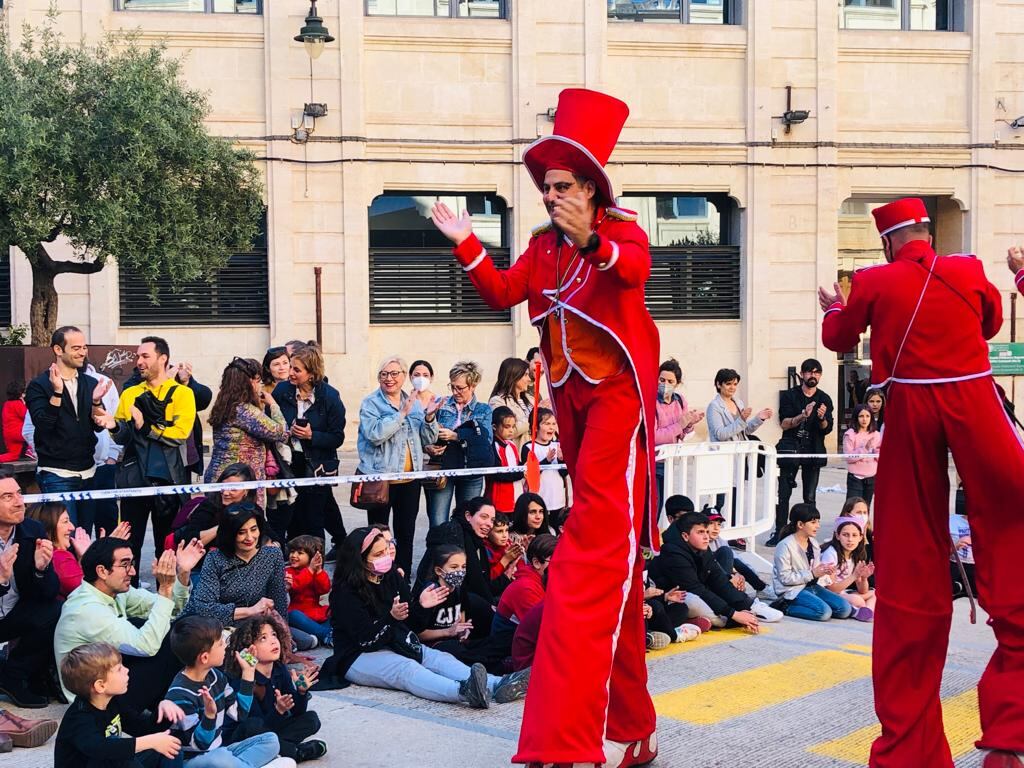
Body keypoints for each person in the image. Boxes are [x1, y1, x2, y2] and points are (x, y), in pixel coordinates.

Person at [432, 87, 662, 767]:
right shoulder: (541, 249)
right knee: (609, 583)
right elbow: (504, 292)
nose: (552, 194)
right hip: (572, 412)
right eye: (546, 185)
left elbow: (634, 271)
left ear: (591, 187)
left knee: (584, 576)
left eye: (563, 184)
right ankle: (635, 728)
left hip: (619, 409)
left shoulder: (618, 233)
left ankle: (568, 743)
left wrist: (592, 239)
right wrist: (468, 243)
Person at [821, 198, 1024, 768]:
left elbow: (839, 338)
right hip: (975, 402)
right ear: (927, 233)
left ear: (886, 241)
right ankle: (1011, 733)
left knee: (911, 571)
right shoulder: (964, 268)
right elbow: (990, 322)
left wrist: (836, 306)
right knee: (1015, 538)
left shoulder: (873, 279)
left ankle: (911, 752)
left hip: (911, 409)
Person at [313, 527, 531, 708]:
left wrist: (422, 606)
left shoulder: (391, 577)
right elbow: (365, 640)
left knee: (438, 659)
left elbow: (413, 625)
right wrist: (391, 617)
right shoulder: (345, 593)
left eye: (386, 551)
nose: (386, 557)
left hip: (395, 641)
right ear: (360, 559)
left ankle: (499, 684)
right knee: (406, 669)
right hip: (357, 655)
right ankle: (464, 692)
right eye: (378, 554)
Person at [54, 536, 202, 710]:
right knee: (178, 640)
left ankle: (176, 700)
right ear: (102, 571)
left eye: (132, 563)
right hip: (96, 699)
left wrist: (183, 573)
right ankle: (178, 703)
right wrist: (165, 589)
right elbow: (147, 645)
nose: (132, 571)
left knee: (180, 626)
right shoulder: (87, 610)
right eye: (125, 565)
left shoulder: (112, 590)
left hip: (114, 673)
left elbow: (170, 609)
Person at [96, 337, 197, 579]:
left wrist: (146, 427)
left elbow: (180, 435)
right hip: (134, 477)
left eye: (145, 356)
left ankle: (168, 600)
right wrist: (113, 426)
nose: (139, 361)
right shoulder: (130, 393)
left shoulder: (182, 394)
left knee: (168, 547)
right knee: (130, 545)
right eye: (138, 357)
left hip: (169, 478)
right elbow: (122, 437)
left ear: (163, 359)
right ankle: (128, 597)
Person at [357, 355, 440, 579]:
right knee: (377, 534)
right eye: (384, 374)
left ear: (405, 377)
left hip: (409, 481)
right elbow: (375, 435)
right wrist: (401, 413)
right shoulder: (371, 403)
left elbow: (427, 439)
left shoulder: (413, 401)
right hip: (380, 481)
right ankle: (377, 575)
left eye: (394, 374)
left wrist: (430, 417)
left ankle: (400, 576)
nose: (389, 379)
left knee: (406, 533)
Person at [165, 616, 287, 767]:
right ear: (204, 657)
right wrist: (210, 716)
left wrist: (248, 672)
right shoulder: (180, 694)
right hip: (193, 760)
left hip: (221, 751)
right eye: (221, 644)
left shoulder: (216, 676)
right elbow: (200, 745)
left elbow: (240, 713)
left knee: (270, 741)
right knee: (219, 759)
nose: (225, 647)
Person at [24, 325, 107, 527]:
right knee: (62, 539)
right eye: (76, 348)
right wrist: (58, 393)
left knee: (83, 536)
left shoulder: (89, 383)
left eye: (84, 347)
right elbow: (43, 424)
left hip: (88, 472)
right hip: (56, 474)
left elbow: (98, 427)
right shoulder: (40, 385)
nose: (82, 352)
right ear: (58, 350)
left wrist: (96, 402)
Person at [54, 642, 185, 768]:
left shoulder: (113, 702)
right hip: (97, 763)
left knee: (170, 747)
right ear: (101, 685)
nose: (127, 670)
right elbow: (99, 748)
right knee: (120, 759)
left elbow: (142, 728)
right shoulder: (79, 718)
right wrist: (149, 741)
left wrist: (164, 711)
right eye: (119, 669)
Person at [224, 616, 327, 763]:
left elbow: (297, 711)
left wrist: (301, 692)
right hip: (243, 736)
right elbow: (256, 726)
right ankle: (295, 752)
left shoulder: (279, 669)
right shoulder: (244, 678)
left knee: (311, 719)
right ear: (248, 649)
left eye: (274, 635)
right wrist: (279, 711)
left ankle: (279, 750)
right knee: (254, 726)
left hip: (271, 728)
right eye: (263, 638)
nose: (273, 641)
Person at [273, 343, 346, 545]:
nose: (291, 373)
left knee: (315, 517)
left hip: (318, 465)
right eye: (291, 368)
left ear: (312, 374)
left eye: (297, 369)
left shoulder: (330, 396)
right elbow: (273, 422)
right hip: (289, 463)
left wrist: (312, 435)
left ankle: (316, 565)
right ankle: (295, 565)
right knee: (291, 515)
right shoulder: (282, 391)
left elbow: (337, 437)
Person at [656, 511, 779, 630]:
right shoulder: (672, 553)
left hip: (697, 591)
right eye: (700, 532)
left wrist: (745, 604)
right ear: (685, 536)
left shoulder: (701, 546)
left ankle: (747, 609)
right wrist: (734, 614)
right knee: (690, 599)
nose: (706, 537)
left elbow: (718, 579)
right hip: (673, 599)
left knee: (721, 582)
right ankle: (724, 621)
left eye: (706, 532)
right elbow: (695, 589)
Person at [0, 469, 60, 708]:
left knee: (54, 610)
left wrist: (41, 569)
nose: (19, 502)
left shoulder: (31, 530)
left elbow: (47, 594)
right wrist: (1, 581)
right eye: (8, 497)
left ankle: (12, 676)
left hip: (12, 614)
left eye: (19, 493)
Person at [180, 502, 288, 628]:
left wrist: (282, 634)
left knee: (298, 639)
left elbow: (278, 602)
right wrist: (250, 611)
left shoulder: (273, 555)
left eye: (253, 529)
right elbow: (204, 608)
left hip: (257, 624)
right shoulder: (215, 558)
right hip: (219, 626)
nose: (250, 537)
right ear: (230, 534)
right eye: (241, 532)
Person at [206, 358, 288, 510]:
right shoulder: (243, 410)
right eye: (258, 380)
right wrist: (273, 405)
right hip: (240, 483)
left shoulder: (225, 405)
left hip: (219, 477)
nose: (260, 385)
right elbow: (281, 433)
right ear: (250, 382)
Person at [770, 359, 834, 546]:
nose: (812, 375)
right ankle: (780, 532)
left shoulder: (825, 398)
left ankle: (809, 533)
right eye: (809, 372)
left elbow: (827, 428)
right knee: (783, 494)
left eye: (816, 372)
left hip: (813, 450)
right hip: (791, 449)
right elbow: (783, 423)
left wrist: (821, 418)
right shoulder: (790, 396)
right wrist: (802, 416)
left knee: (810, 496)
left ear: (820, 376)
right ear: (802, 374)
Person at [424, 361, 493, 529]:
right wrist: (430, 420)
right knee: (438, 521)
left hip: (471, 469)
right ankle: (439, 553)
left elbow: (486, 440)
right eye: (452, 386)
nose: (455, 392)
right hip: (443, 467)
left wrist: (456, 436)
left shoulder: (483, 410)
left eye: (460, 388)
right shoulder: (441, 404)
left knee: (468, 520)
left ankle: (465, 554)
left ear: (473, 385)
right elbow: (426, 436)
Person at [417, 498, 512, 619]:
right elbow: (471, 584)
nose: (489, 524)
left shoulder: (477, 540)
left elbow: (483, 583)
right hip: (438, 602)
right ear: (468, 516)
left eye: (492, 520)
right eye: (484, 517)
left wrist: (506, 577)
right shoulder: (454, 535)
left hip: (461, 598)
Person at [26, 501, 130, 600]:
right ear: (48, 527)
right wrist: (102, 554)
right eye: (65, 521)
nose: (72, 527)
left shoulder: (41, 555)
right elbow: (91, 593)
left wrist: (95, 553)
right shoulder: (60, 558)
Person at [771, 504, 853, 622]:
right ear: (800, 524)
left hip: (812, 586)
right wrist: (813, 573)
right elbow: (785, 578)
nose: (818, 526)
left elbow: (815, 571)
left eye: (818, 522)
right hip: (792, 590)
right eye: (813, 522)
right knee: (823, 613)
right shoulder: (785, 546)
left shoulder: (813, 543)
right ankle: (785, 607)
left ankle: (813, 605)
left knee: (844, 609)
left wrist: (826, 572)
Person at [520, 409, 568, 531]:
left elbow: (564, 473)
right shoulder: (529, 447)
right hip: (540, 499)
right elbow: (531, 474)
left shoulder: (557, 445)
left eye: (553, 424)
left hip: (558, 499)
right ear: (535, 427)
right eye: (547, 424)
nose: (551, 427)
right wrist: (546, 460)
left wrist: (562, 460)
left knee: (558, 531)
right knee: (542, 531)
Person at [819, 516, 876, 620]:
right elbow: (831, 589)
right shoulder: (831, 554)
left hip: (844, 592)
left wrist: (864, 578)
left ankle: (867, 611)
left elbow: (863, 590)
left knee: (876, 593)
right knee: (858, 600)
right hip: (826, 593)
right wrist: (854, 576)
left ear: (860, 537)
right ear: (837, 535)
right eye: (845, 535)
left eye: (854, 535)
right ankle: (857, 610)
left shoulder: (857, 554)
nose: (850, 539)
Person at [286, 535, 332, 647]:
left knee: (336, 609)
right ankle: (326, 635)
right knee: (293, 615)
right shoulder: (287, 571)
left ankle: (324, 635)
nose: (294, 556)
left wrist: (319, 570)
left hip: (316, 612)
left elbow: (324, 589)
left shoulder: (316, 572)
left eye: (300, 553)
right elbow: (296, 586)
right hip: (298, 614)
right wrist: (310, 570)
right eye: (292, 552)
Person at [706, 368, 772, 444]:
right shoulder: (714, 407)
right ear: (718, 384)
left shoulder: (739, 403)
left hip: (743, 449)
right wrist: (741, 419)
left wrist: (759, 418)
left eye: (735, 384)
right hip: (727, 452)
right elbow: (720, 434)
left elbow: (745, 430)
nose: (732, 387)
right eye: (728, 384)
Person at [487, 357, 535, 448]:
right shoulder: (497, 401)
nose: (529, 379)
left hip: (537, 453)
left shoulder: (530, 399)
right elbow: (507, 430)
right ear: (514, 376)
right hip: (515, 454)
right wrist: (533, 416)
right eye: (525, 375)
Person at [487, 406, 525, 514]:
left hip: (515, 496)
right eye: (507, 427)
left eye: (513, 426)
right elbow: (498, 474)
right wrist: (521, 473)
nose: (511, 430)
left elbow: (517, 464)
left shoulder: (512, 444)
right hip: (499, 500)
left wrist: (524, 466)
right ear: (494, 427)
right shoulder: (493, 446)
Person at [843, 404, 882, 505]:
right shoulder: (850, 434)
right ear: (856, 417)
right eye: (861, 416)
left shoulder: (876, 434)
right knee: (852, 505)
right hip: (855, 477)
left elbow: (880, 455)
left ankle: (864, 521)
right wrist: (865, 448)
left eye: (867, 416)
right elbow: (849, 458)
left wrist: (876, 452)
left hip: (871, 476)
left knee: (866, 505)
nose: (864, 419)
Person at [0, 381, 28, 462]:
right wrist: (25, 404)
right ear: (20, 394)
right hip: (19, 432)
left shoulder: (7, 404)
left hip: (9, 434)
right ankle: (31, 451)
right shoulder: (17, 404)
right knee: (37, 434)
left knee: (13, 455)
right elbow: (27, 417)